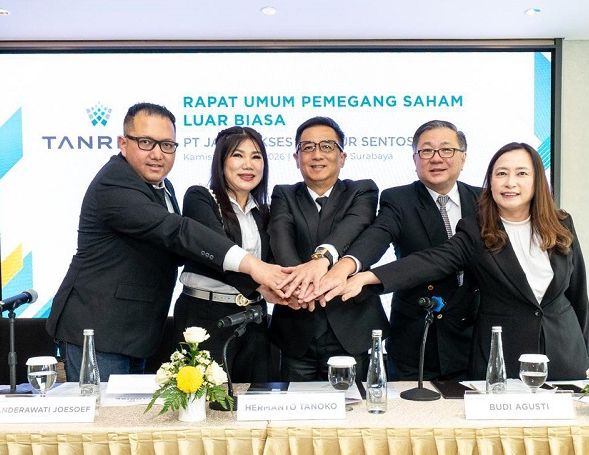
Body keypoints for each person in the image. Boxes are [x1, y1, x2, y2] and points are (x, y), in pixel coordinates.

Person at [46, 103, 289, 381]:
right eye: (146, 142)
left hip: (136, 331)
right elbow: (175, 231)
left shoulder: (163, 186)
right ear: (123, 144)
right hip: (100, 328)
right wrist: (255, 268)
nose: (157, 153)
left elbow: (180, 249)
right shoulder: (114, 183)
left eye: (167, 145)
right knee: (104, 410)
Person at [317, 142, 589, 380]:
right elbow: (430, 261)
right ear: (490, 181)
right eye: (501, 174)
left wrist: (588, 355)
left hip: (564, 352)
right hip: (502, 356)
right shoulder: (477, 230)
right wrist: (367, 277)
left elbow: (578, 294)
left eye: (521, 173)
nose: (510, 182)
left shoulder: (562, 223)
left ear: (537, 180)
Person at [316, 120, 480, 381]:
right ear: (415, 159)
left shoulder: (485, 201)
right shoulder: (399, 199)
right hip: (416, 339)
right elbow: (377, 235)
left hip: (472, 339)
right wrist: (347, 266)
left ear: (463, 157)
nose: (436, 158)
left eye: (446, 149)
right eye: (426, 150)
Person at [268, 116, 390, 381]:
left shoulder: (362, 190)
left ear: (342, 157)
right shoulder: (283, 194)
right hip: (297, 323)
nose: (317, 155)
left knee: (356, 405)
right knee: (294, 406)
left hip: (352, 325)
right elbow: (280, 238)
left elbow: (354, 225)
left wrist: (320, 260)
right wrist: (301, 285)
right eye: (308, 147)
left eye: (326, 146)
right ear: (296, 158)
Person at [173, 126, 277, 383]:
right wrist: (261, 285)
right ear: (221, 161)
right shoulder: (200, 198)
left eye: (256, 156)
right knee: (206, 400)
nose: (248, 165)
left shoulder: (264, 211)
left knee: (255, 397)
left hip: (254, 318)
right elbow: (217, 253)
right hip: (205, 317)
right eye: (238, 155)